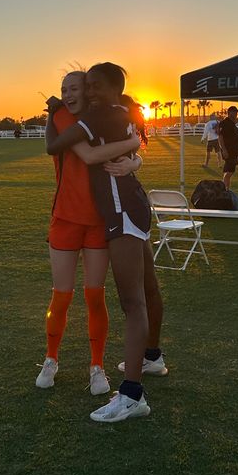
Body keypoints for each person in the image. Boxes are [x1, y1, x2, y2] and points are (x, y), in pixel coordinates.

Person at [46, 63, 166, 423]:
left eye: (95, 86)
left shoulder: (100, 116)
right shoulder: (120, 112)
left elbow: (56, 146)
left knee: (132, 302)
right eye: (88, 87)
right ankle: (153, 357)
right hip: (132, 205)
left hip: (121, 211)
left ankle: (131, 395)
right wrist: (135, 153)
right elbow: (126, 141)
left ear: (113, 89)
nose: (90, 92)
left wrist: (54, 113)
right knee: (149, 290)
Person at [36, 71, 143, 396]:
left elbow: (128, 149)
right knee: (62, 295)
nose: (68, 94)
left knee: (95, 295)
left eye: (75, 88)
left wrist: (135, 158)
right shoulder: (64, 117)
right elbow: (89, 155)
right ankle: (51, 359)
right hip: (66, 218)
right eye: (63, 89)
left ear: (89, 91)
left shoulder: (105, 117)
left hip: (99, 220)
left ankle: (97, 367)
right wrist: (133, 143)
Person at [218, 106, 238, 189]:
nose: (236, 114)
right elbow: (220, 137)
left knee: (229, 171)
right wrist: (224, 150)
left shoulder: (232, 123)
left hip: (234, 151)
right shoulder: (225, 123)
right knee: (229, 172)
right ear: (229, 113)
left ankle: (226, 189)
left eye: (236, 112)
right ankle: (225, 189)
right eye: (234, 112)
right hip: (229, 151)